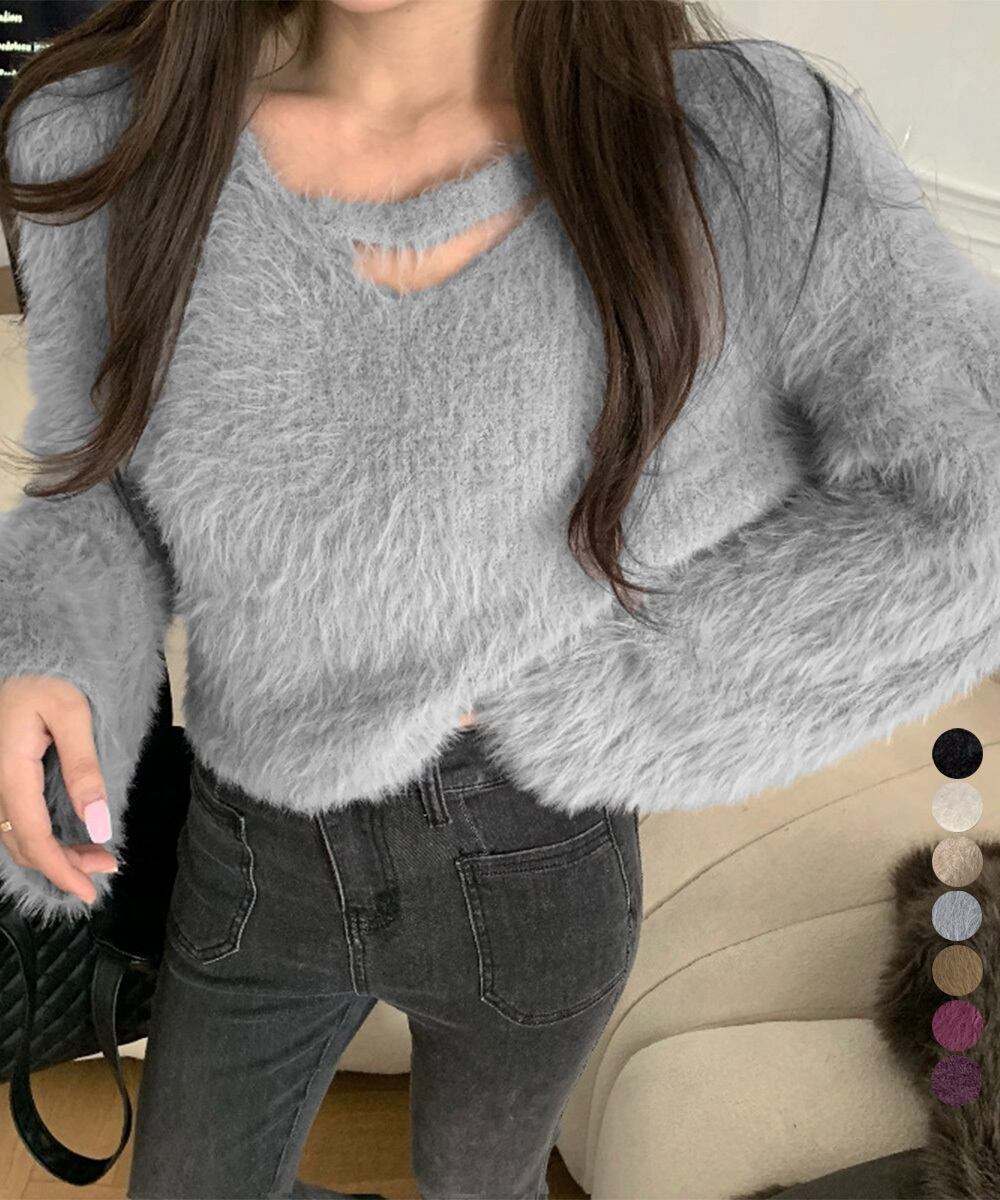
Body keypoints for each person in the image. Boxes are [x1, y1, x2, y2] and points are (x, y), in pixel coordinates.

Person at [0, 2, 998, 1197]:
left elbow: (972, 499)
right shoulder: (109, 134)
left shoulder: (747, 146)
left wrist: (605, 690)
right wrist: (51, 648)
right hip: (253, 854)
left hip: (531, 858)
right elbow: (97, 486)